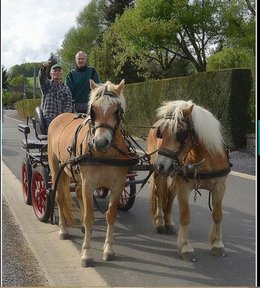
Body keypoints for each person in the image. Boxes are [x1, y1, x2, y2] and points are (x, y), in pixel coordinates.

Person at [38, 62, 72, 128]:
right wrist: (43, 68)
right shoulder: (47, 85)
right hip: (49, 117)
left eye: (59, 71)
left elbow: (69, 105)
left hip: (62, 118)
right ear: (50, 74)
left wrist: (64, 116)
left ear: (61, 74)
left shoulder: (66, 89)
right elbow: (41, 78)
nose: (57, 72)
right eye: (55, 71)